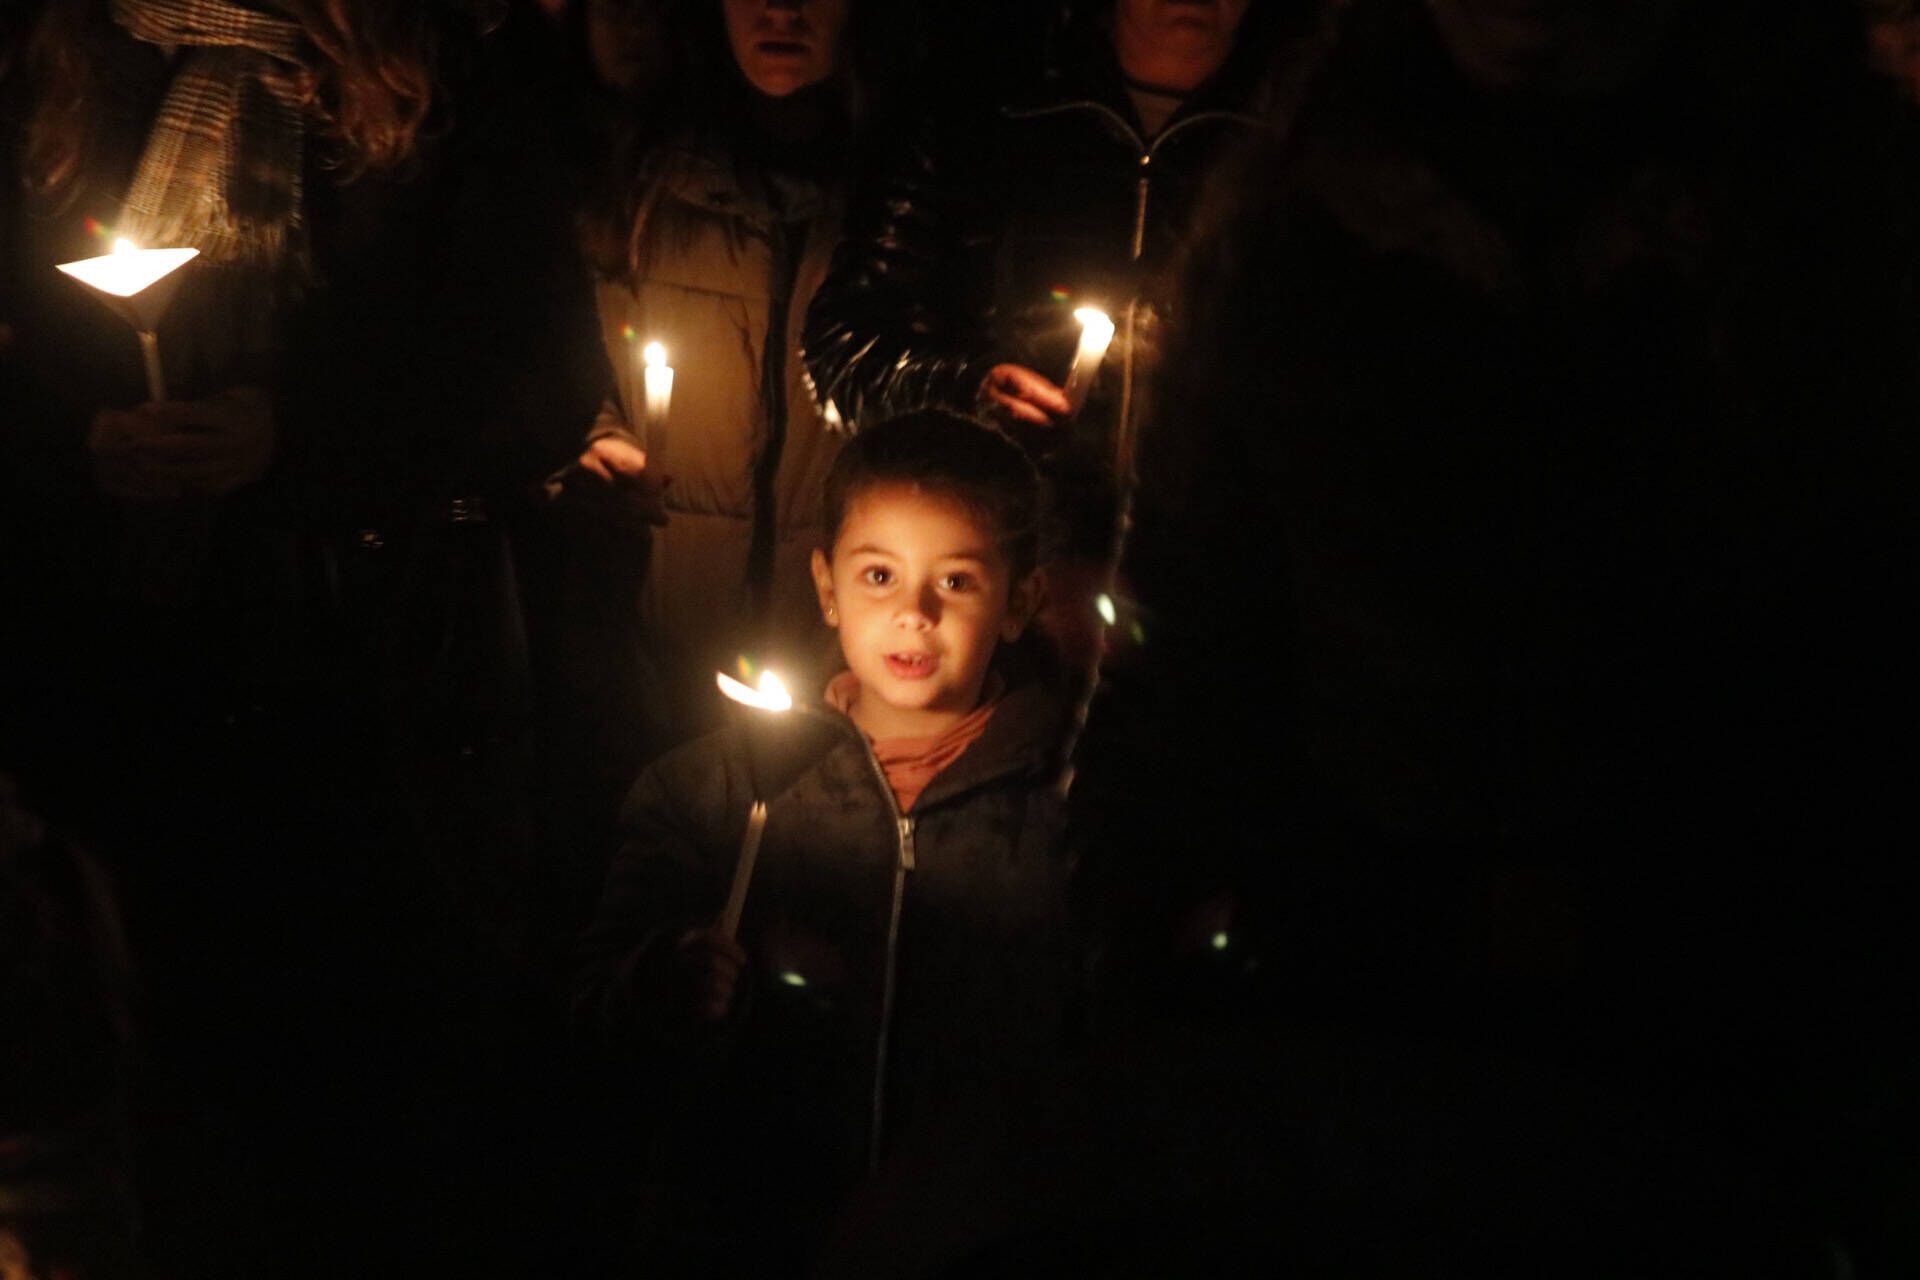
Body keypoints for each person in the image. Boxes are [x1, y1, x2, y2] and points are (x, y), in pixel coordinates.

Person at [575, 410, 1074, 1274]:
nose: (914, 614)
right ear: (828, 586)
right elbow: (592, 1008)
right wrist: (662, 983)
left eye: (955, 582)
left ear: (1021, 600)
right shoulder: (713, 791)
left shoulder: (1078, 804)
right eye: (879, 575)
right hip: (757, 1232)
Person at [803, 0, 1314, 698]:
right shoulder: (986, 104)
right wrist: (967, 395)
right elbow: (846, 342)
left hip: (1226, 648)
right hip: (987, 642)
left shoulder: (1316, 135)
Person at [570, 0, 865, 754]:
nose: (782, 10)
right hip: (662, 642)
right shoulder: (644, 176)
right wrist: (598, 442)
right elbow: (572, 359)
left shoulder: (899, 197)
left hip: (850, 656)